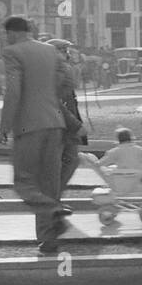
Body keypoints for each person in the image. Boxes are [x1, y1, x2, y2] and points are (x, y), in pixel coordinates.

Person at [0, 17, 75, 253]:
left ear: (10, 33)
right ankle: (48, 239)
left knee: (24, 181)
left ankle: (53, 211)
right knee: (48, 183)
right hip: (54, 123)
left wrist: (5, 124)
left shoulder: (12, 52)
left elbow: (14, 91)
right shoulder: (50, 50)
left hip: (29, 126)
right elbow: (69, 79)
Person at [51, 39, 87, 196]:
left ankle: (54, 196)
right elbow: (56, 101)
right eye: (63, 51)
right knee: (63, 161)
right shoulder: (54, 72)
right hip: (59, 124)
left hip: (66, 123)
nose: (67, 54)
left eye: (66, 51)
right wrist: (75, 124)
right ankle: (52, 197)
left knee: (71, 160)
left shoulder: (64, 68)